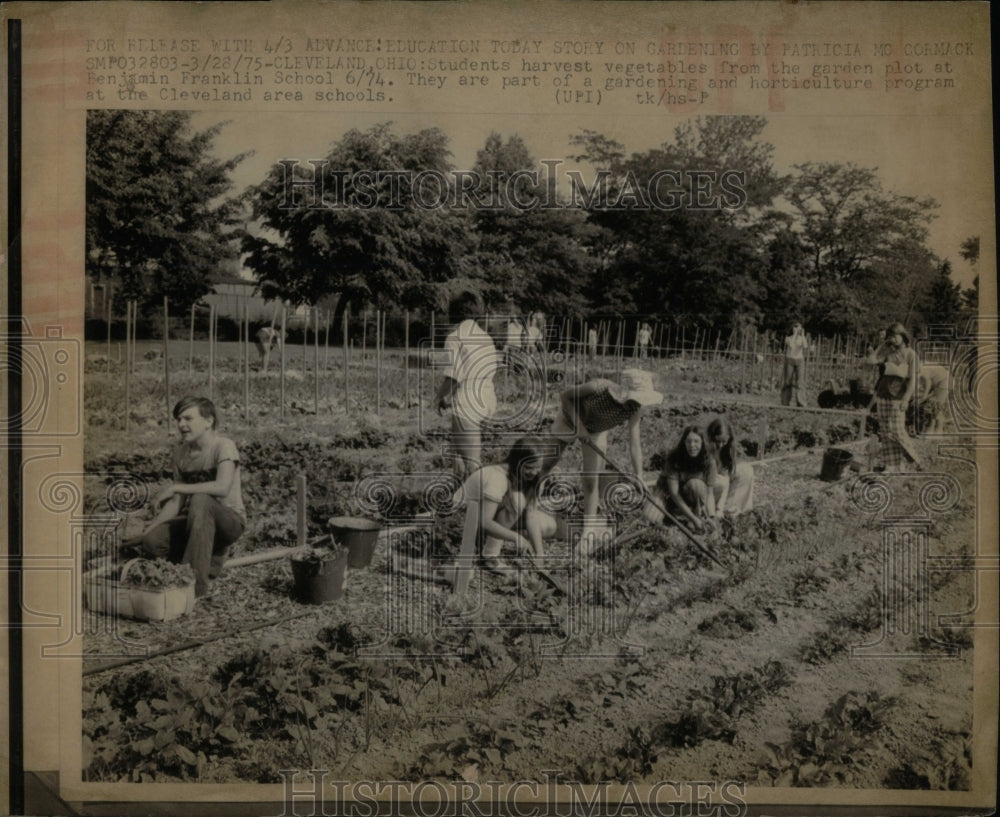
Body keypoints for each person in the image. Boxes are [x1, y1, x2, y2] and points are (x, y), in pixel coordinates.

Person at [137, 397, 246, 598]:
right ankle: (204, 558)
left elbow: (222, 488)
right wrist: (148, 530)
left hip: (229, 522)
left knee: (201, 499)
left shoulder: (223, 446)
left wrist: (178, 487)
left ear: (208, 421)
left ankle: (193, 588)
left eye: (188, 418)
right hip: (196, 522)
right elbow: (176, 502)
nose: (181, 425)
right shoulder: (180, 454)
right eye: (179, 419)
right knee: (153, 541)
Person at [449, 436, 563, 588]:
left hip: (480, 518)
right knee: (517, 501)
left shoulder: (533, 478)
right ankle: (490, 555)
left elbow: (531, 514)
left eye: (537, 467)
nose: (534, 472)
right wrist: (515, 538)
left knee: (548, 526)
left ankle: (495, 540)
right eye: (529, 467)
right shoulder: (497, 477)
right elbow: (484, 521)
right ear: (516, 461)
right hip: (459, 520)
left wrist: (540, 556)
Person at [550, 369, 663, 519]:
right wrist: (580, 428)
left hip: (596, 429)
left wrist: (639, 475)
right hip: (570, 418)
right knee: (549, 462)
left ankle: (588, 527)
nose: (637, 404)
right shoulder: (598, 387)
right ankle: (531, 502)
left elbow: (634, 442)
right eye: (635, 399)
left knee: (591, 480)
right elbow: (565, 397)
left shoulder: (637, 408)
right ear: (624, 393)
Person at [434, 291, 500, 480]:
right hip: (486, 398)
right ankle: (458, 500)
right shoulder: (485, 337)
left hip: (468, 401)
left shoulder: (455, 337)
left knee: (472, 464)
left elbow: (453, 377)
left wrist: (439, 397)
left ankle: (480, 503)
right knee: (458, 457)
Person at [866, 322, 922, 472]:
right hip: (883, 395)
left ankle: (915, 460)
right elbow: (871, 361)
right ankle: (892, 465)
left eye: (896, 336)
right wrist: (882, 344)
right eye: (891, 336)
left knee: (897, 429)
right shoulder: (887, 353)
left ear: (903, 336)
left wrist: (906, 399)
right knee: (885, 432)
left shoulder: (911, 355)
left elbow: (913, 380)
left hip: (898, 397)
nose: (893, 339)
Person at [646, 426, 719, 534]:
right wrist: (693, 519)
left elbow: (710, 493)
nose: (692, 445)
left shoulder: (709, 461)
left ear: (703, 443)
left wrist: (712, 517)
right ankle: (680, 517)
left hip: (692, 493)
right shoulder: (674, 458)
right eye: (688, 441)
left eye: (696, 441)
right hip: (668, 493)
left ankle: (693, 517)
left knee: (696, 485)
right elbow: (674, 494)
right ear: (684, 442)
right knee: (649, 518)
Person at [705, 416, 754, 516]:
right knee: (721, 482)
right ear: (711, 436)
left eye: (724, 441)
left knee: (746, 470)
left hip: (722, 484)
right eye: (717, 441)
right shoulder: (705, 447)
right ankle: (716, 511)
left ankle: (733, 509)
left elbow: (727, 476)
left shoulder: (727, 449)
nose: (721, 445)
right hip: (707, 485)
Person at [915, 362, 950, 435]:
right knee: (932, 406)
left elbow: (928, 382)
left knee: (936, 407)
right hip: (939, 381)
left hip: (944, 380)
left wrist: (924, 396)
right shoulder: (918, 368)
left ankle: (938, 430)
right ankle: (932, 428)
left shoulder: (921, 368)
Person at [780, 321, 809, 407]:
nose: (797, 329)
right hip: (790, 360)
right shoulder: (788, 338)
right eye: (795, 327)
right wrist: (795, 334)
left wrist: (802, 335)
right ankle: (785, 402)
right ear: (792, 328)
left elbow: (805, 346)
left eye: (798, 327)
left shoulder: (802, 338)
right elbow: (791, 345)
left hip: (799, 360)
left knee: (800, 382)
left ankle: (801, 402)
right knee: (788, 381)